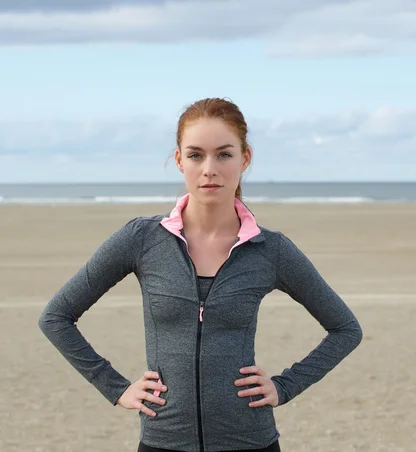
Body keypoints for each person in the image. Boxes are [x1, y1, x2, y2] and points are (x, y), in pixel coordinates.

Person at [38, 97, 363, 452]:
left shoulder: (271, 250)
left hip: (249, 441)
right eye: (195, 155)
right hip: (163, 441)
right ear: (179, 160)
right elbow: (56, 317)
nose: (210, 169)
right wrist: (115, 388)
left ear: (245, 159)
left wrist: (285, 386)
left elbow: (345, 329)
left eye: (224, 154)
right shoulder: (142, 239)